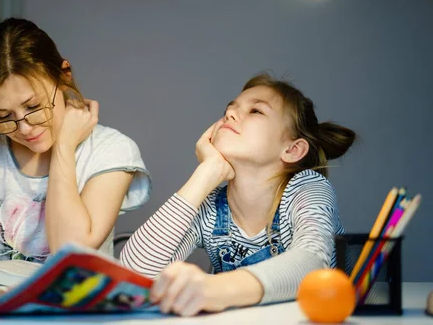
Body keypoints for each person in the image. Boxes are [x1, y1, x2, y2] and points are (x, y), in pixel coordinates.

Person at [121, 73, 356, 316]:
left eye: (256, 111)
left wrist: (215, 288)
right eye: (229, 109)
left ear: (292, 149)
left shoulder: (307, 188)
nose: (229, 115)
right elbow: (133, 274)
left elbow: (313, 263)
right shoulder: (210, 208)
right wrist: (205, 174)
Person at [0, 18, 151, 263]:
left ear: (64, 75)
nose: (24, 128)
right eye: (3, 116)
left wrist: (64, 146)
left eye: (33, 106)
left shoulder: (110, 149)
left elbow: (72, 251)